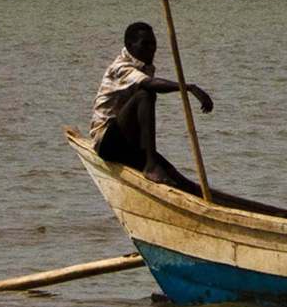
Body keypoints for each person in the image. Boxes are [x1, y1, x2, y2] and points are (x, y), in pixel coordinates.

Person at [89, 21, 214, 189]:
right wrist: (188, 88)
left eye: (153, 44)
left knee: (176, 177)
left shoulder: (145, 67)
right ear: (129, 45)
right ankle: (150, 166)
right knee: (145, 95)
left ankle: (202, 196)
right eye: (145, 44)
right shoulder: (121, 67)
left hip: (127, 142)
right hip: (106, 141)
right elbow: (150, 84)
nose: (151, 49)